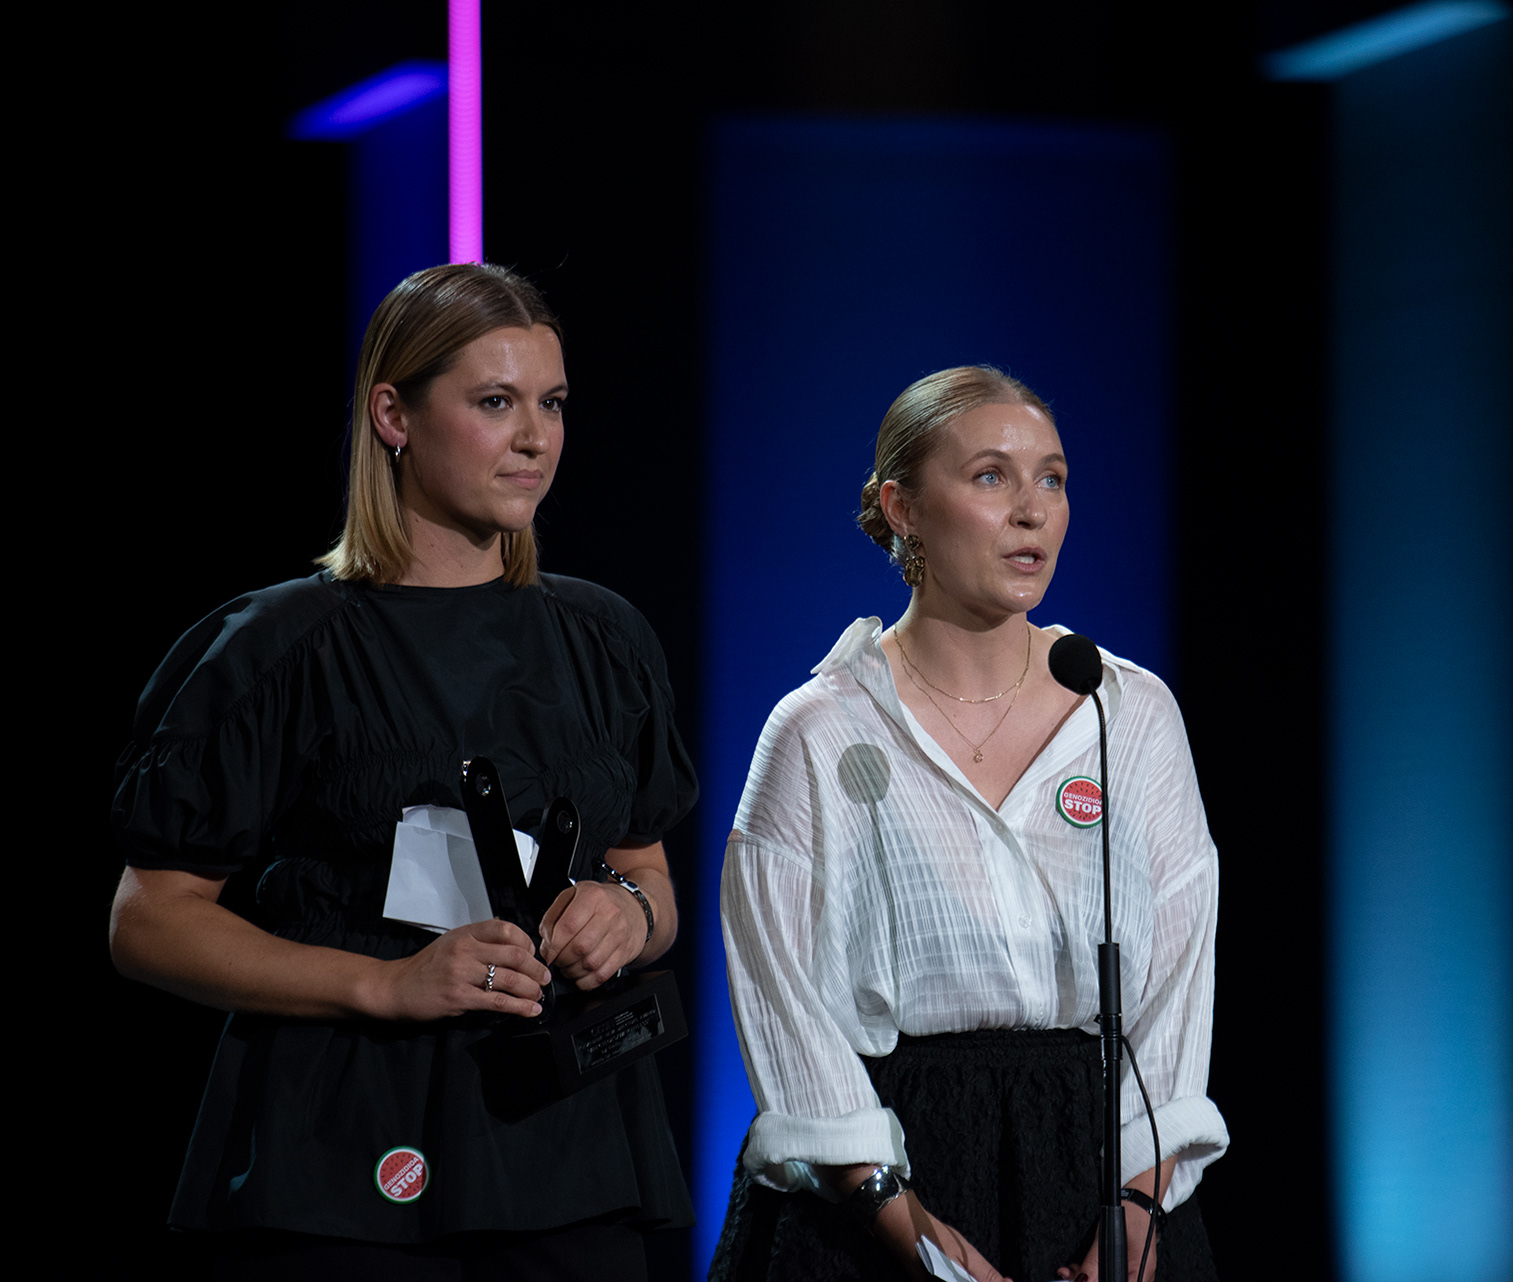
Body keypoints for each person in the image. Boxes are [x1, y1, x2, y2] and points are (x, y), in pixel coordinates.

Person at [108, 263, 695, 1278]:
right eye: (495, 403)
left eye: (552, 403)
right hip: (349, 1138)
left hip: (570, 1141)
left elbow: (647, 871)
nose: (535, 437)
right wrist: (384, 984)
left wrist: (629, 916)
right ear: (394, 415)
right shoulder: (283, 644)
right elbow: (149, 920)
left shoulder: (604, 637)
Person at [710, 367, 1227, 1282]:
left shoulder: (1127, 712)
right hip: (882, 1183)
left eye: (1052, 479)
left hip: (1101, 1180)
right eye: (992, 476)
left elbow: (1180, 981)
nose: (1032, 511)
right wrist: (895, 1213)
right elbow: (782, 1000)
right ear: (902, 507)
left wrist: (1138, 1207)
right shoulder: (819, 730)